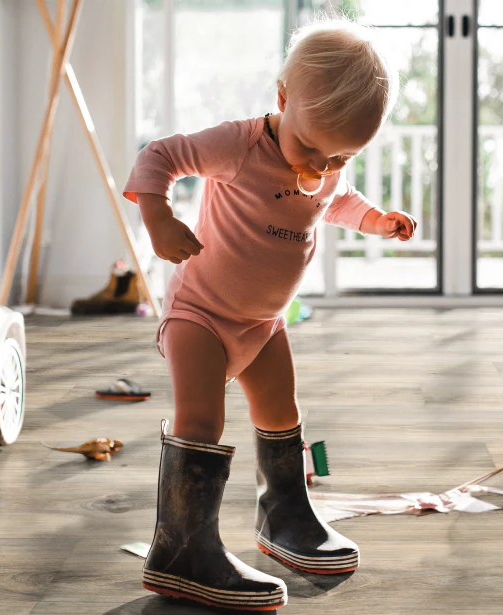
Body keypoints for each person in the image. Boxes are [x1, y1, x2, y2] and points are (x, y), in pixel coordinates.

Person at [122, 18, 416, 611]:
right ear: (282, 98)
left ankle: (284, 516)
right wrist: (158, 220)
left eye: (339, 156)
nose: (318, 167)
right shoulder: (238, 144)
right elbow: (160, 156)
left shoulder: (325, 162)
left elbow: (338, 201)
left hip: (262, 324)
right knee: (201, 420)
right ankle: (181, 550)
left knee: (282, 411)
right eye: (310, 149)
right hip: (201, 314)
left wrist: (377, 220)